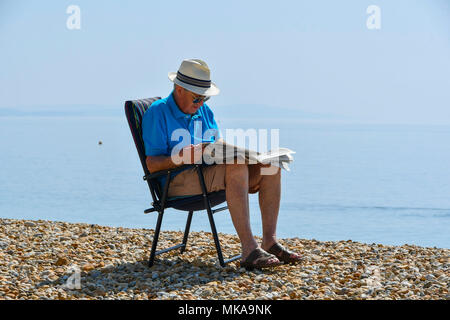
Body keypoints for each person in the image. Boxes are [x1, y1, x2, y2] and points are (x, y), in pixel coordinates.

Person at [142, 58, 302, 269]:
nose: (200, 104)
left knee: (270, 166)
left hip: (206, 173)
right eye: (196, 98)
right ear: (179, 89)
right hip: (175, 181)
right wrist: (180, 157)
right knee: (236, 166)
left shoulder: (203, 111)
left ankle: (270, 242)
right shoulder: (158, 112)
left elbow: (215, 145)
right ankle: (248, 250)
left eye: (204, 99)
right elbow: (152, 165)